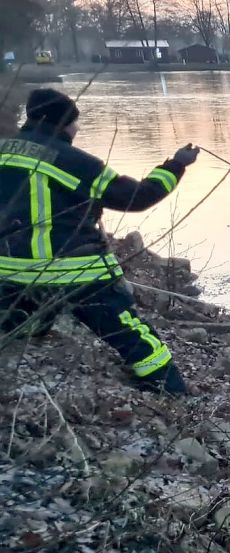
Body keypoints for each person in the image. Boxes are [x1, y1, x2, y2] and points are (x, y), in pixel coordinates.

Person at [0, 88, 199, 394]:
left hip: (11, 270)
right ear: (62, 123)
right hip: (76, 271)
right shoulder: (71, 160)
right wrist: (176, 165)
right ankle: (173, 392)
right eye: (74, 123)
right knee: (132, 335)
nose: (77, 129)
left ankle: (28, 333)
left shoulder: (4, 151)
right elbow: (137, 197)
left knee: (21, 317)